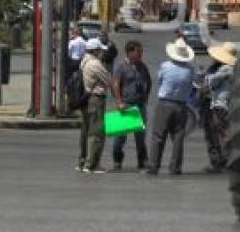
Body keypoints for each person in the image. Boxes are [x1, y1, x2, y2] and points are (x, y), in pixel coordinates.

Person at [146, 39, 195, 175]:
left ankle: (154, 165)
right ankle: (175, 167)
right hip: (181, 105)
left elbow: (160, 80)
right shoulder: (190, 69)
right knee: (178, 136)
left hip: (165, 103)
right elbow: (191, 85)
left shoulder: (165, 66)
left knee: (158, 135)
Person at [111, 41, 152, 171]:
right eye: (138, 52)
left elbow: (149, 81)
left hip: (139, 105)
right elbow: (115, 85)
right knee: (120, 137)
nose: (141, 54)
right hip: (126, 105)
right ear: (130, 52)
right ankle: (117, 160)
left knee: (140, 137)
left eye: (141, 52)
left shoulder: (142, 66)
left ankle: (142, 160)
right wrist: (119, 101)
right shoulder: (121, 67)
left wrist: (146, 96)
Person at [201, 42, 238, 173]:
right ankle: (225, 160)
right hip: (227, 104)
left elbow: (211, 83)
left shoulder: (226, 69)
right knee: (223, 133)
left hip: (220, 104)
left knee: (221, 134)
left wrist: (206, 78)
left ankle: (225, 161)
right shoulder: (234, 68)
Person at [78, 38, 112, 173]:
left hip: (86, 99)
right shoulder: (95, 64)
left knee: (85, 132)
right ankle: (92, 163)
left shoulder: (84, 61)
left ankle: (82, 161)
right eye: (100, 50)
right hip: (96, 99)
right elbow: (108, 80)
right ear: (95, 51)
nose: (102, 53)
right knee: (97, 132)